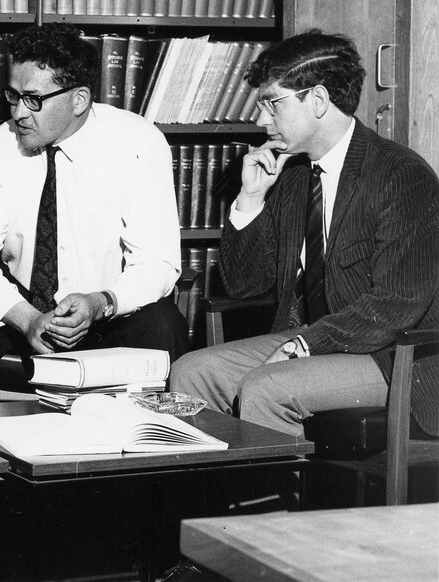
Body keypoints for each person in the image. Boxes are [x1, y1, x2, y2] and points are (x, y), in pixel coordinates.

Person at [171, 29, 439, 439]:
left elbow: (396, 304)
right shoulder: (293, 175)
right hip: (314, 338)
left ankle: (280, 485)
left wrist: (304, 345)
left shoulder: (401, 175)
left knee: (266, 388)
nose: (260, 120)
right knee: (191, 372)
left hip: (393, 355)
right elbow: (245, 286)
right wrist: (250, 198)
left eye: (272, 104)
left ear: (317, 100)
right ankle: (221, 482)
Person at [0, 23, 189, 406]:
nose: (18, 113)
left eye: (33, 99)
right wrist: (27, 318)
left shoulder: (138, 142)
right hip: (24, 313)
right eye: (13, 96)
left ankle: (161, 438)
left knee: (164, 323)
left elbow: (158, 262)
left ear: (79, 100)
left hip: (106, 312)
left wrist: (101, 302)